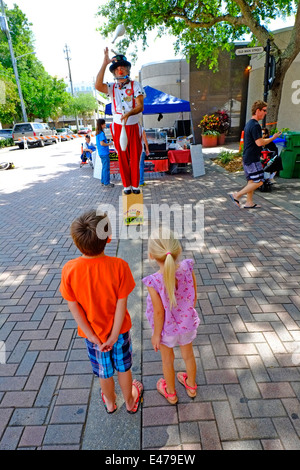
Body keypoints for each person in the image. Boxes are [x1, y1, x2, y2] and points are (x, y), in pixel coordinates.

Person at [59, 209, 143, 414]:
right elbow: (122, 304)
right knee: (124, 368)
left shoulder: (69, 269)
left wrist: (93, 337)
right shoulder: (119, 266)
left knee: (104, 372)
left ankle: (110, 402)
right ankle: (131, 402)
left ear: (76, 242)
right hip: (119, 332)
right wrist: (114, 336)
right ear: (109, 238)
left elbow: (73, 306)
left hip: (93, 335)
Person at [142, 227, 200, 404]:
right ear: (178, 250)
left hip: (166, 329)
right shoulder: (187, 267)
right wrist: (185, 316)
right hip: (187, 324)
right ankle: (191, 385)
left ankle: (171, 392)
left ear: (151, 255)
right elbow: (194, 296)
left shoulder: (153, 281)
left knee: (167, 361)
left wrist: (155, 335)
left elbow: (159, 313)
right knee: (188, 355)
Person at [95, 48, 145, 195]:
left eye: (123, 67)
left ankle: (135, 184)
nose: (120, 70)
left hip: (133, 125)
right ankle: (127, 185)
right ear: (114, 72)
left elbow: (140, 106)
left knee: (135, 155)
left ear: (128, 69)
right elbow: (97, 86)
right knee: (122, 156)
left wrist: (130, 113)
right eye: (117, 68)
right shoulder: (112, 87)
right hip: (118, 126)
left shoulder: (135, 85)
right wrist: (104, 64)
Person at [230, 100, 282, 209]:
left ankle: (249, 202)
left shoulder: (249, 124)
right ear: (257, 110)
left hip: (247, 158)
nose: (265, 113)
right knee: (259, 182)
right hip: (252, 159)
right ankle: (237, 195)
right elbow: (259, 143)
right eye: (264, 110)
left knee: (252, 181)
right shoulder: (255, 126)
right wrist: (273, 138)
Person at [95, 118, 114, 188]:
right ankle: (106, 182)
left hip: (101, 153)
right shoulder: (102, 133)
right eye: (104, 123)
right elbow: (102, 143)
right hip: (104, 153)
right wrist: (110, 144)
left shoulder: (98, 133)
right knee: (106, 168)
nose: (105, 125)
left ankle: (103, 181)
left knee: (104, 168)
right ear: (101, 125)